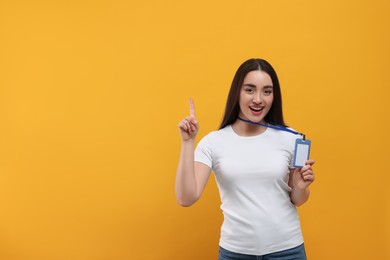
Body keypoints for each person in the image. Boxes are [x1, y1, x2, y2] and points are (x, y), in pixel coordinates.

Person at [175, 58, 315, 260]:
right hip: (236, 253)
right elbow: (186, 198)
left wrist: (301, 187)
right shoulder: (213, 142)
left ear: (274, 96)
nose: (258, 99)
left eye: (267, 91)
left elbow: (298, 200)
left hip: (287, 251)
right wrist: (188, 142)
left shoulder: (291, 138)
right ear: (237, 93)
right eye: (250, 90)